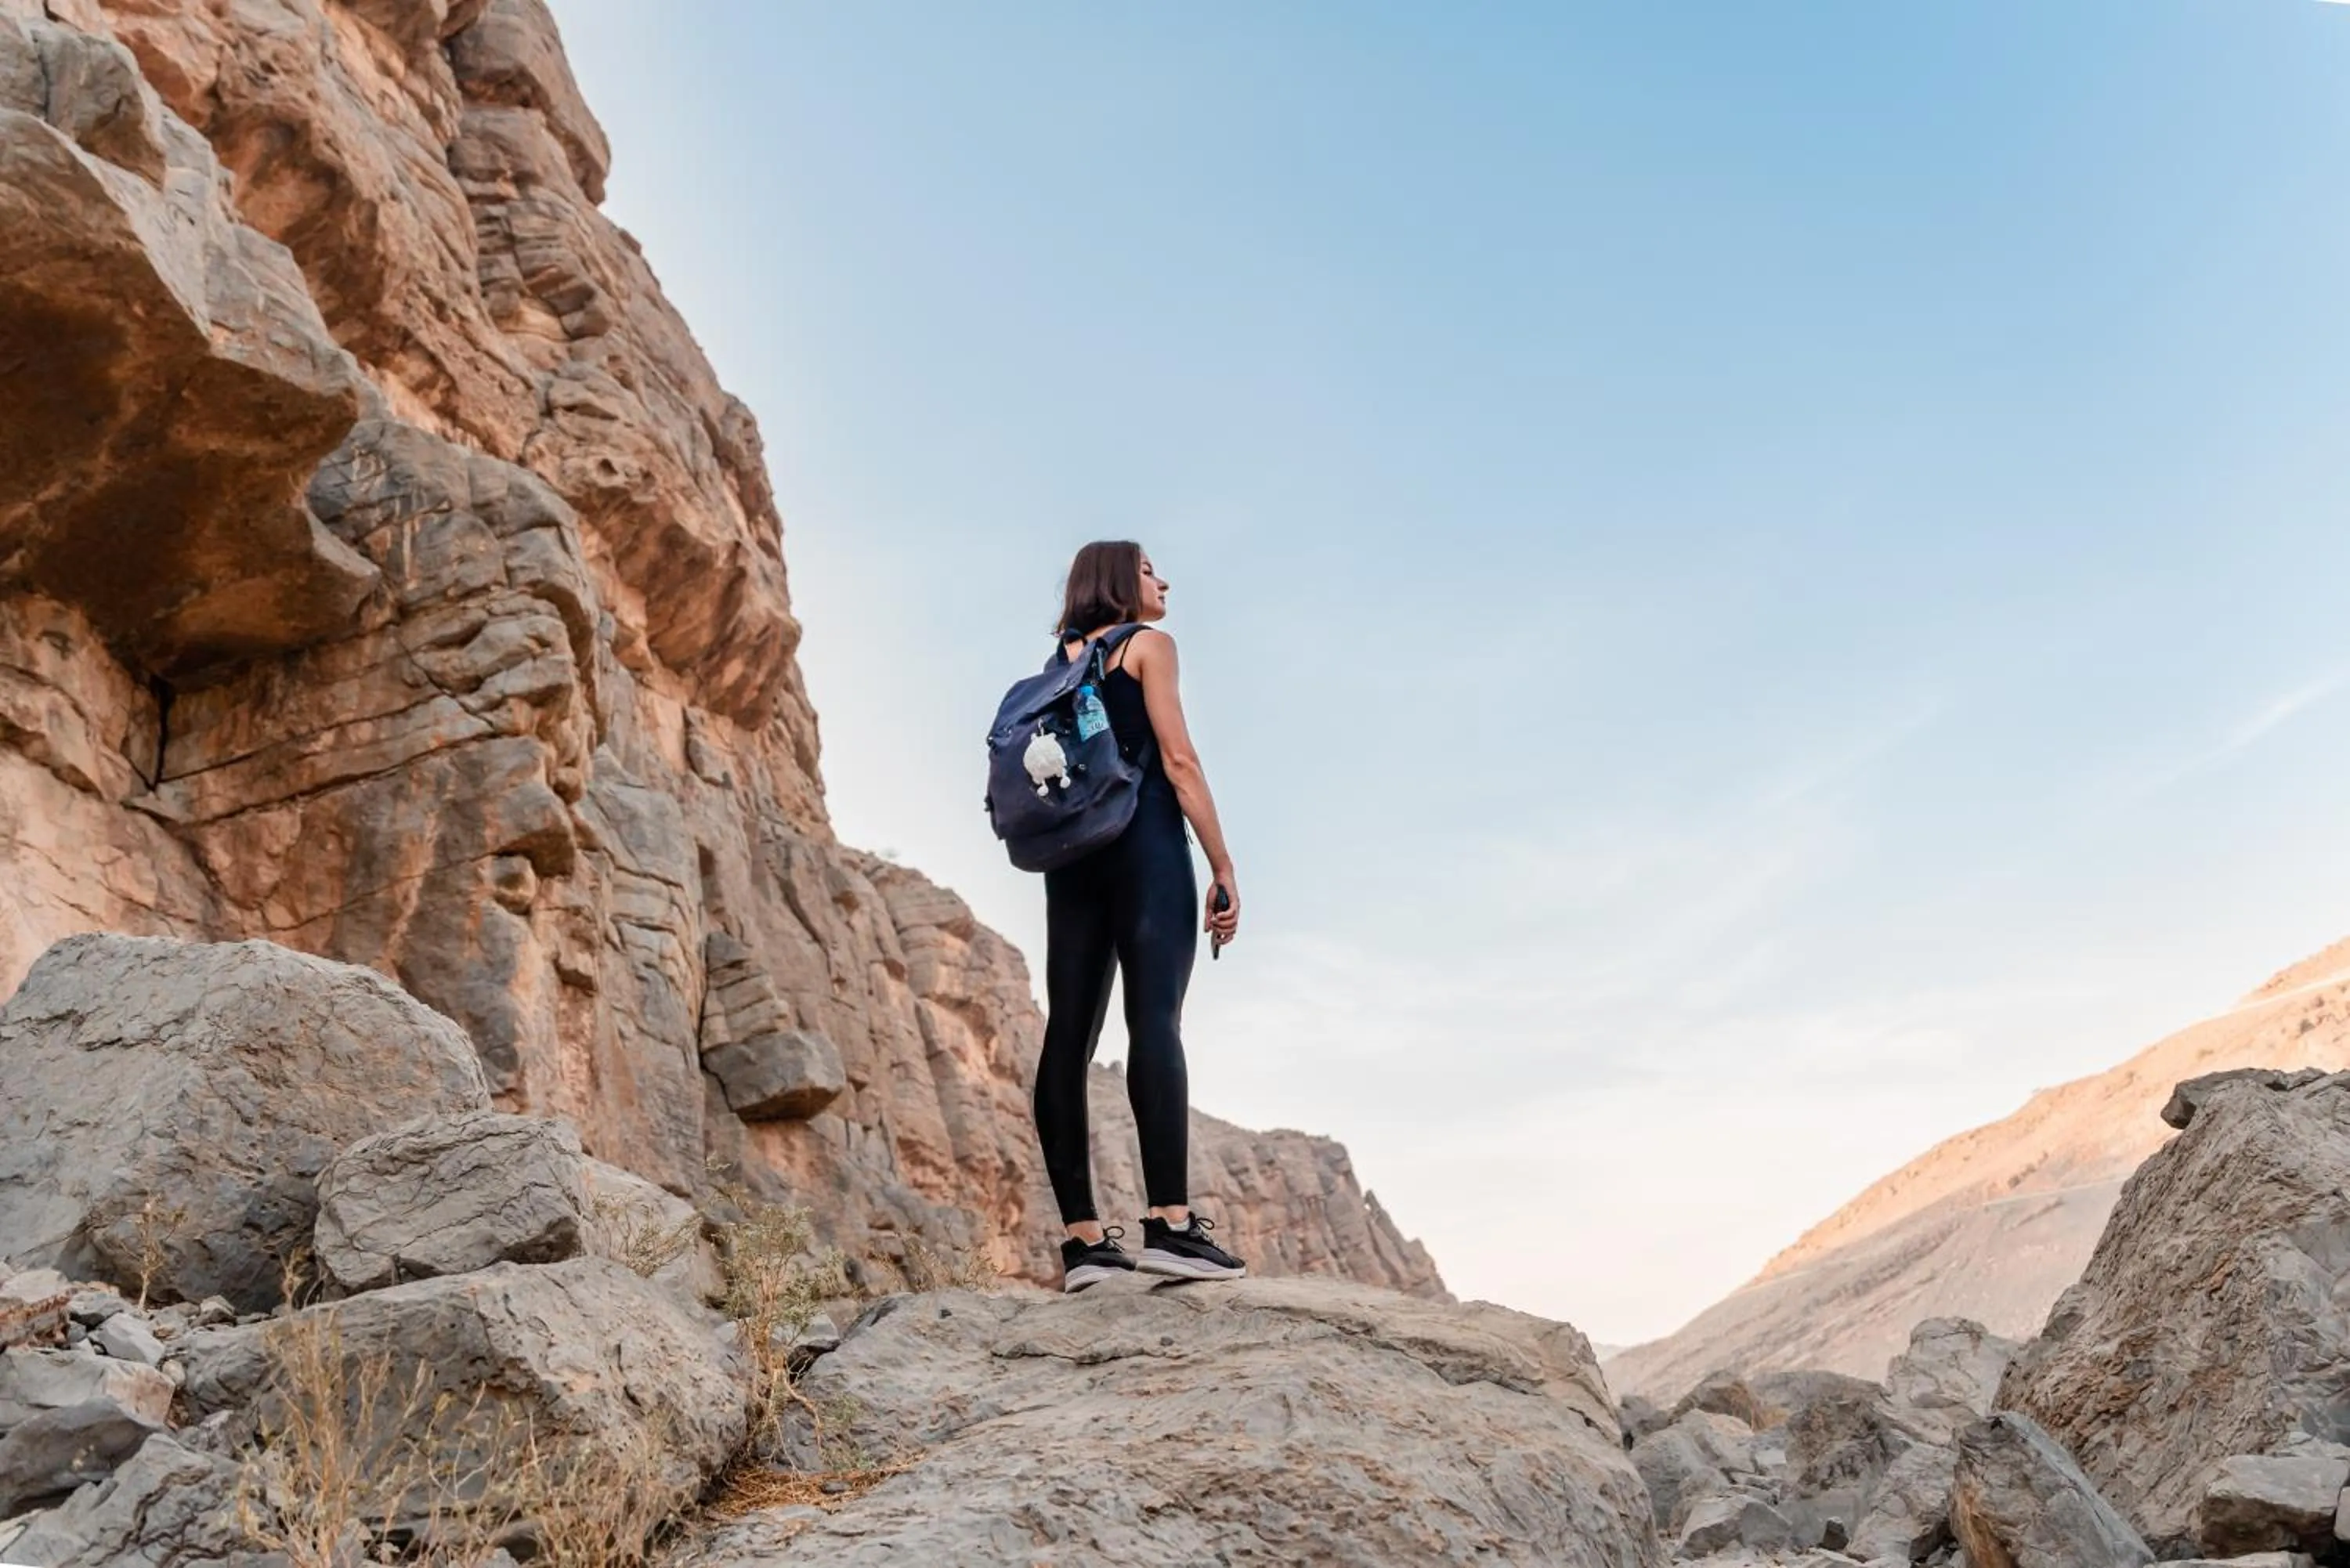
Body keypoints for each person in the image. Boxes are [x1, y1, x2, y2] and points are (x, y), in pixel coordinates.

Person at [1035, 540, 1248, 1292]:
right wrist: (1222, 866)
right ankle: (1172, 1226)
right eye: (1152, 569)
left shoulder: (1060, 662)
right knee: (1154, 1021)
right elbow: (1180, 762)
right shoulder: (1148, 646)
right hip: (1145, 844)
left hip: (1072, 856)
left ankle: (1085, 1246)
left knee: (1070, 1033)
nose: (1164, 581)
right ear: (1123, 580)